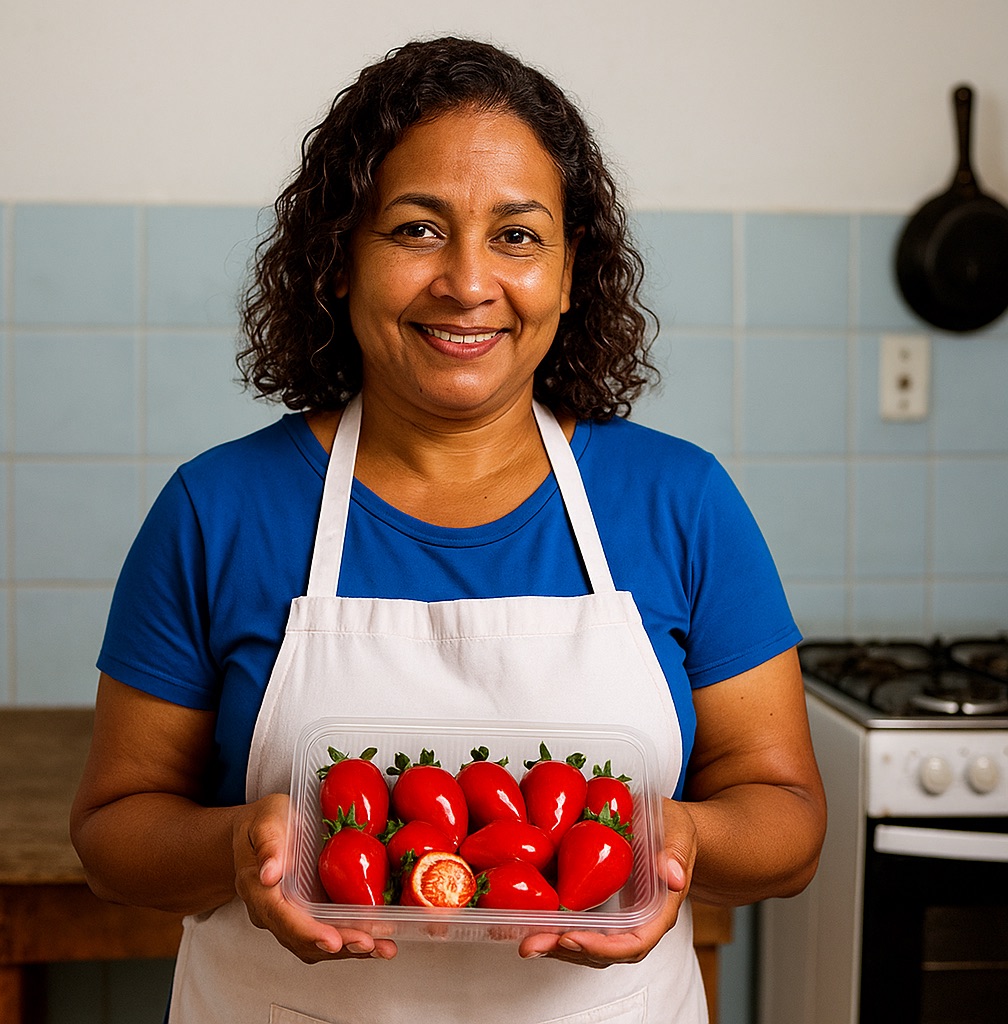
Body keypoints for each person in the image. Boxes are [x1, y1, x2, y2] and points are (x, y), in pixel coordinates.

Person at [71, 35, 826, 1024]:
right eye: (417, 229)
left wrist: (680, 837)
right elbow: (113, 830)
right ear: (339, 261)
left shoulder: (679, 499)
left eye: (516, 236)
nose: (467, 282)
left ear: (567, 274)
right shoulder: (218, 509)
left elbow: (788, 817)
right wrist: (233, 848)